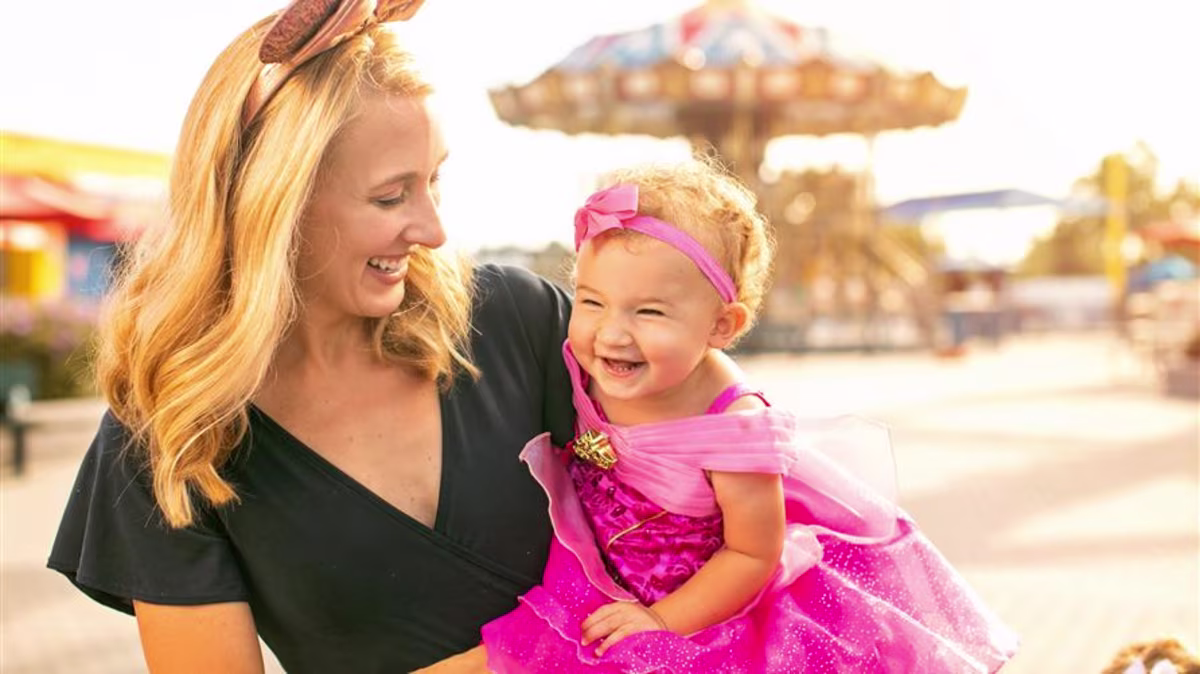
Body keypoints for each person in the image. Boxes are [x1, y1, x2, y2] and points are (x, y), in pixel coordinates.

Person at [47, 1, 575, 672]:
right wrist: (534, 656)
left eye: (434, 180)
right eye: (391, 197)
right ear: (276, 204)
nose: (434, 230)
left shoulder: (516, 320)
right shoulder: (171, 436)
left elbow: (720, 468)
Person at [481, 160, 1020, 672]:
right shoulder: (584, 358)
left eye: (649, 311)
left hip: (700, 611)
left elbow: (750, 553)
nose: (612, 332)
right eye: (592, 302)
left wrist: (660, 622)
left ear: (722, 325)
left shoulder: (733, 429)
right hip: (595, 572)